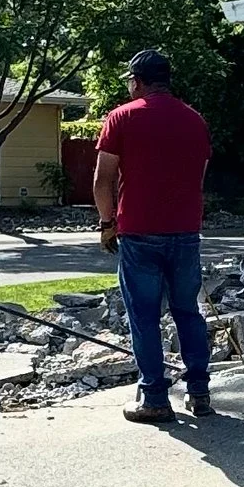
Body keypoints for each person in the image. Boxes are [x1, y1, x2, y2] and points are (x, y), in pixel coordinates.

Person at [94, 49, 215, 422]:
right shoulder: (195, 120)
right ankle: (199, 393)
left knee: (144, 317)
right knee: (187, 312)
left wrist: (106, 223)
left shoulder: (122, 118)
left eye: (131, 80)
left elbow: (103, 179)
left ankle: (155, 399)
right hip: (185, 231)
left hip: (139, 232)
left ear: (138, 81)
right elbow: (200, 176)